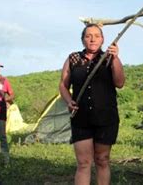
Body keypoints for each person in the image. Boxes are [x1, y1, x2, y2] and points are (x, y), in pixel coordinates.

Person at [59, 23, 125, 185]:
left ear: (102, 39)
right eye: (88, 36)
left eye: (96, 35)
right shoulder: (73, 58)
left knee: (102, 160)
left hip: (106, 117)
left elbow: (120, 83)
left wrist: (115, 58)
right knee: (83, 163)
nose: (92, 39)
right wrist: (69, 101)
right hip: (81, 118)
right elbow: (63, 85)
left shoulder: (109, 57)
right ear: (83, 40)